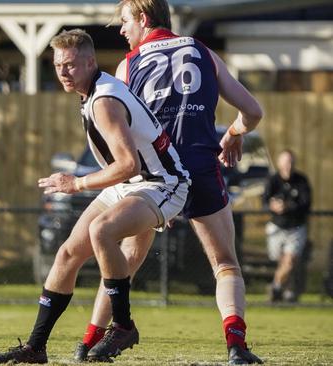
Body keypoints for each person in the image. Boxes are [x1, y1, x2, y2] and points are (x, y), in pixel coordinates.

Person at [74, 1, 265, 364]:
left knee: (123, 261)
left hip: (155, 174)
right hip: (200, 166)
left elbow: (118, 130)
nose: (121, 30)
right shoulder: (200, 50)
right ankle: (236, 346)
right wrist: (235, 133)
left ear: (144, 19)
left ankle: (88, 342)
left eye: (125, 21)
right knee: (225, 265)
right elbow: (253, 111)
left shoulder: (129, 65)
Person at [0, 28, 190, 364]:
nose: (63, 72)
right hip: (130, 186)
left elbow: (128, 164)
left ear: (90, 62)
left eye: (70, 65)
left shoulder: (104, 100)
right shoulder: (92, 92)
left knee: (102, 231)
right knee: (67, 254)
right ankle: (36, 347)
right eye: (57, 66)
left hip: (161, 183)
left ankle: (123, 326)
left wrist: (77, 184)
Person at [263, 149, 311, 302]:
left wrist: (288, 206)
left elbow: (306, 204)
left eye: (290, 162)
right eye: (285, 162)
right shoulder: (272, 180)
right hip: (276, 227)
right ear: (279, 163)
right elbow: (264, 202)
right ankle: (287, 292)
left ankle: (276, 288)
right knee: (282, 263)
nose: (288, 166)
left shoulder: (302, 181)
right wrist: (273, 206)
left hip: (295, 229)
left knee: (289, 262)